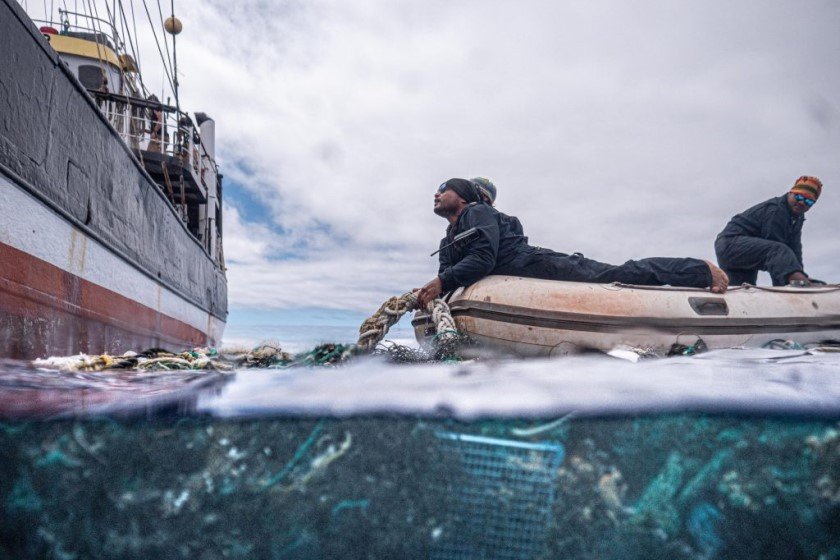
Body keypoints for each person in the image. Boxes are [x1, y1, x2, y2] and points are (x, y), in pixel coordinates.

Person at [416, 178, 728, 308]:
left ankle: (698, 271)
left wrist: (442, 280)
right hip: (515, 279)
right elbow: (452, 272)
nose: (436, 193)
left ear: (464, 195)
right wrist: (437, 290)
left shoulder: (479, 213)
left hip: (541, 265)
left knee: (619, 274)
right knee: (618, 273)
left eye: (444, 188)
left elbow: (482, 260)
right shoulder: (450, 237)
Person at [714, 176, 822, 287]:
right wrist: (789, 284)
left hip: (741, 251)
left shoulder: (797, 218)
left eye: (808, 201)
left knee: (744, 289)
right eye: (799, 197)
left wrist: (800, 272)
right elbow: (776, 253)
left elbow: (795, 249)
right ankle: (795, 282)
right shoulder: (777, 210)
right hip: (731, 244)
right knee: (778, 249)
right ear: (790, 193)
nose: (802, 203)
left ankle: (795, 282)